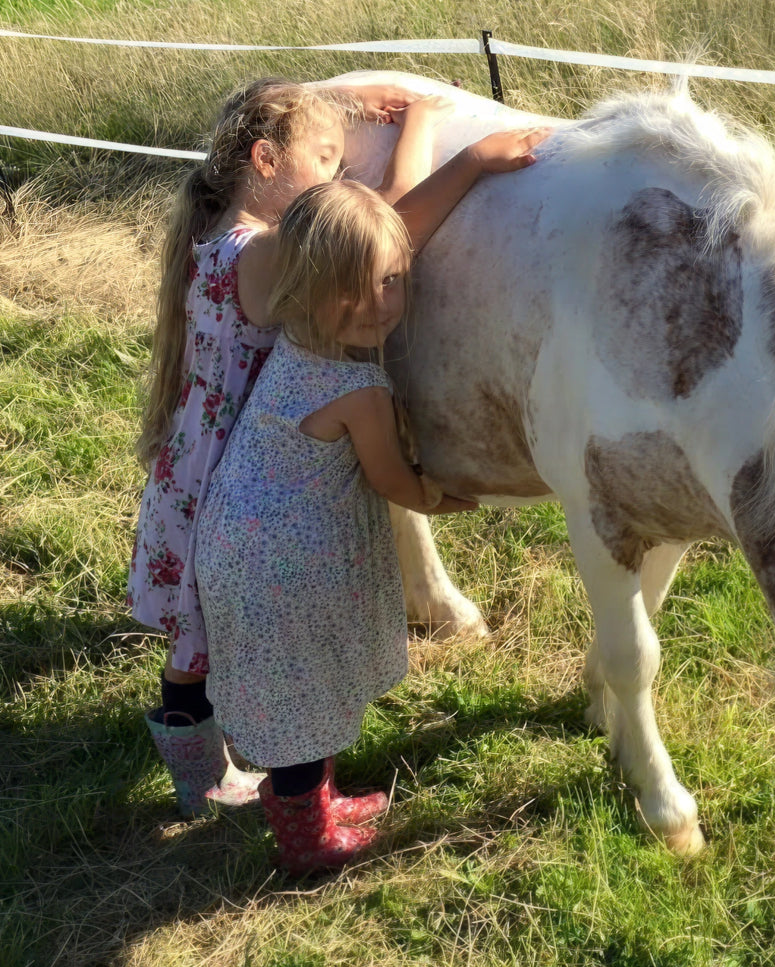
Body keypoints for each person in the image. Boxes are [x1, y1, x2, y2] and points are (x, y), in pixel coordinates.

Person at [126, 74, 494, 817]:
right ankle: (206, 786)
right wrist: (461, 149)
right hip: (235, 471)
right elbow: (382, 229)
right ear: (265, 159)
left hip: (193, 457)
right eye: (327, 159)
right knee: (202, 642)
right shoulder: (265, 254)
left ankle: (201, 772)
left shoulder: (216, 229)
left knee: (192, 641)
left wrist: (354, 105)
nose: (337, 173)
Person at [191, 174, 534, 874]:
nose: (379, 305)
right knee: (301, 713)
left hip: (245, 547)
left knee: (302, 694)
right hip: (286, 569)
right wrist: (442, 497)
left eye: (393, 281)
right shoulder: (360, 390)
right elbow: (391, 482)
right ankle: (307, 841)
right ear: (307, 286)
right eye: (354, 288)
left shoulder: (296, 344)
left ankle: (319, 803)